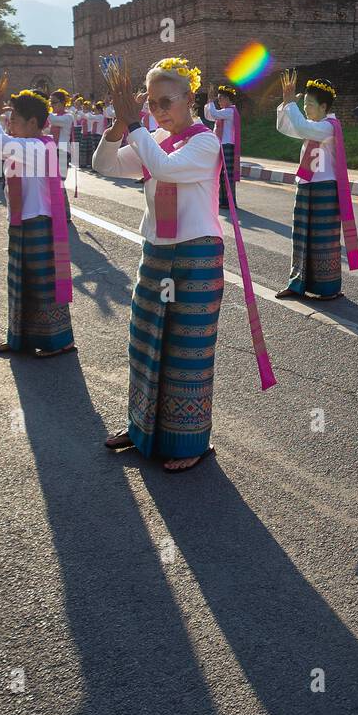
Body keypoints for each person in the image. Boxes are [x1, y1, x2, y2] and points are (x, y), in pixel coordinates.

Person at [94, 57, 225, 473]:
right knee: (146, 342)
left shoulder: (205, 143)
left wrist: (136, 128)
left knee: (188, 350)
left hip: (196, 254)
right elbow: (104, 165)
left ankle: (189, 440)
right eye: (150, 103)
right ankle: (141, 429)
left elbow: (165, 170)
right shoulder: (156, 141)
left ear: (190, 99)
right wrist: (119, 127)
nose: (158, 111)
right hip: (157, 252)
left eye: (166, 101)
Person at [0, 77, 77, 359]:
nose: (10, 125)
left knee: (44, 286)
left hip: (38, 223)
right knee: (20, 282)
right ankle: (19, 337)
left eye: (16, 120)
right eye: (8, 120)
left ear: (33, 123)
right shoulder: (25, 144)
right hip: (23, 223)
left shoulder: (35, 147)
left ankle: (58, 341)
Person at [274, 72, 358, 299]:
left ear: (324, 106)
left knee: (324, 240)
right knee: (301, 236)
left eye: (310, 105)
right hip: (306, 184)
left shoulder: (328, 127)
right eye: (304, 104)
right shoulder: (313, 124)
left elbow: (301, 127)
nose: (306, 108)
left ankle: (328, 288)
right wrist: (286, 103)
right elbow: (287, 127)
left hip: (325, 188)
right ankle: (297, 284)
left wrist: (291, 104)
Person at [205, 84, 243, 210]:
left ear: (228, 99)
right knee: (221, 174)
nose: (219, 101)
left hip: (227, 145)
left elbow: (213, 113)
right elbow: (210, 116)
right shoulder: (225, 112)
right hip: (222, 145)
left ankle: (229, 201)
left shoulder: (230, 111)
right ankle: (223, 201)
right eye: (218, 98)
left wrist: (210, 101)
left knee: (227, 175)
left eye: (220, 98)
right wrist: (209, 102)